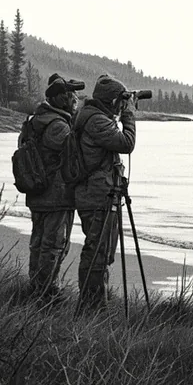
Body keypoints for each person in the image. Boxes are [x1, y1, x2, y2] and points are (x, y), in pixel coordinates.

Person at [73, 74, 137, 311]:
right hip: (98, 195)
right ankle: (92, 306)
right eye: (121, 101)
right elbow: (126, 143)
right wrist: (129, 115)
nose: (123, 105)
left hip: (99, 192)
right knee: (98, 250)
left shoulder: (91, 116)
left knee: (101, 250)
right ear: (112, 101)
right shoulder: (97, 121)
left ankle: (94, 303)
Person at [25, 72, 86, 300]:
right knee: (53, 245)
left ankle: (36, 288)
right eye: (71, 97)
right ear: (61, 99)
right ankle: (47, 292)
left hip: (37, 193)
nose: (74, 100)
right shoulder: (58, 125)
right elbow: (74, 155)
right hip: (56, 195)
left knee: (39, 243)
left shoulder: (37, 121)